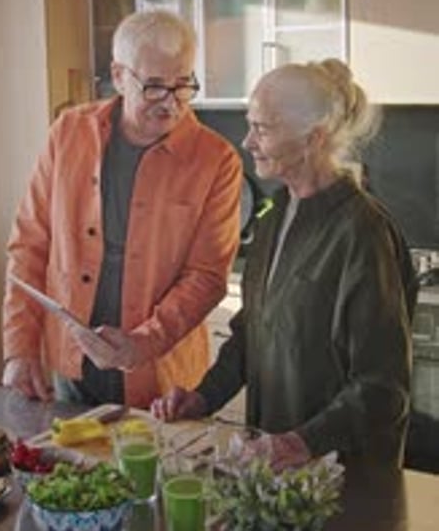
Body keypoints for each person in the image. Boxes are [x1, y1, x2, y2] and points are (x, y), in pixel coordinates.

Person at [152, 59, 413, 469]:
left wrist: (301, 442)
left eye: (262, 128)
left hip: (344, 479)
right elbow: (250, 333)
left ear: (313, 138)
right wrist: (203, 397)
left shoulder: (363, 232)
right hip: (276, 476)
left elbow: (383, 387)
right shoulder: (275, 216)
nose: (247, 142)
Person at [2, 10, 242, 408]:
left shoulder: (217, 160)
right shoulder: (68, 132)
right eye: (154, 87)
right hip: (72, 368)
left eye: (183, 84)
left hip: (163, 378)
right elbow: (29, 246)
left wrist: (143, 343)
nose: (171, 103)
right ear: (118, 76)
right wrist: (19, 348)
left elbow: (206, 276)